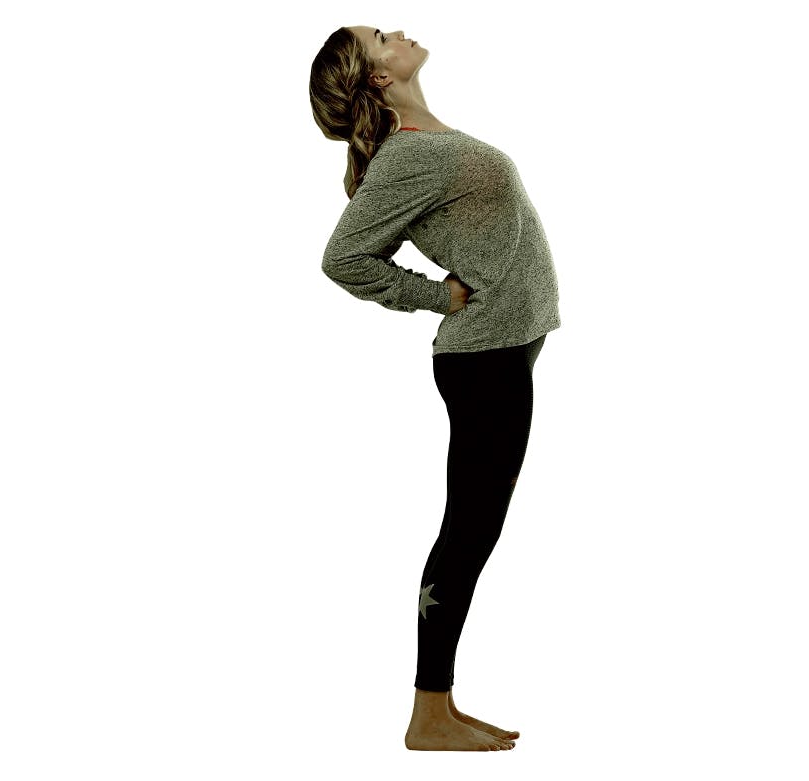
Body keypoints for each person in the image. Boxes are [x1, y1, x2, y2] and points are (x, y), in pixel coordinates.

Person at [309, 25, 561, 752]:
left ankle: (439, 706)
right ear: (378, 76)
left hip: (504, 350)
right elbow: (342, 258)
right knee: (469, 532)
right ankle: (428, 713)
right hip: (484, 357)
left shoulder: (424, 142)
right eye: (381, 37)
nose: (398, 31)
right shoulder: (408, 157)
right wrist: (434, 296)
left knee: (475, 528)